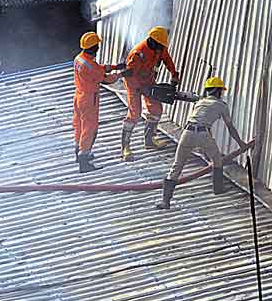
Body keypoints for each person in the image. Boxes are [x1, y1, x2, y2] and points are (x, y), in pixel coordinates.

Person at [158, 76, 247, 210]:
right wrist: (241, 143)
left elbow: (198, 119)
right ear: (218, 91)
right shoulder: (222, 105)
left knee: (176, 167)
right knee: (217, 160)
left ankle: (165, 202)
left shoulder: (199, 102)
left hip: (186, 133)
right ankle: (218, 189)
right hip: (203, 134)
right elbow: (230, 127)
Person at [120, 26, 180, 162]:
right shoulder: (138, 53)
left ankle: (149, 140)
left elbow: (167, 60)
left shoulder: (160, 48)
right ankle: (125, 148)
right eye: (160, 45)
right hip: (133, 84)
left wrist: (174, 74)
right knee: (134, 114)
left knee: (156, 110)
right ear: (152, 41)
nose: (161, 48)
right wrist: (141, 89)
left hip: (148, 81)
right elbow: (130, 74)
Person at [73, 32, 125, 173]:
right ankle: (84, 160)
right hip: (90, 99)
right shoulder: (90, 66)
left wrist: (114, 67)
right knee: (90, 129)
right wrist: (121, 74)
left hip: (79, 95)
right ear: (93, 47)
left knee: (79, 125)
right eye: (97, 45)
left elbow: (96, 68)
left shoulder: (80, 58)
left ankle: (78, 151)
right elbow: (106, 79)